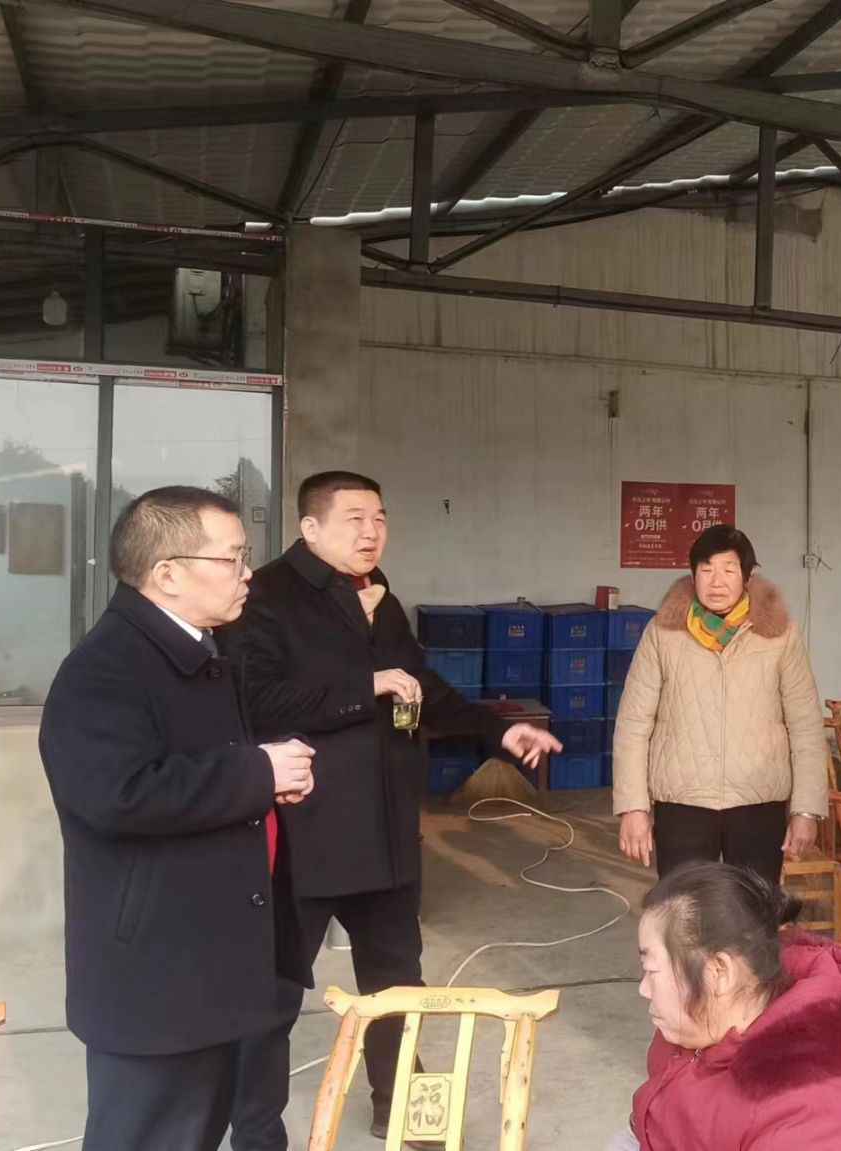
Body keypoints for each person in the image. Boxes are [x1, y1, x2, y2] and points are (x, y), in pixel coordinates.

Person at [224, 471, 561, 1145]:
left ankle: (400, 1106)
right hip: (306, 833)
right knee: (271, 994)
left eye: (379, 517)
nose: (371, 531)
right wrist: (365, 684)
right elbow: (256, 701)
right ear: (310, 527)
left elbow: (420, 687)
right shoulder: (266, 597)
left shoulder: (378, 594)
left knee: (398, 983)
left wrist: (497, 731)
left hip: (384, 831)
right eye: (353, 518)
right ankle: (256, 1131)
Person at [39, 486, 316, 1151]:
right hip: (157, 979)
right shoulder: (104, 670)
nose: (248, 573)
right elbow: (118, 793)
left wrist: (265, 786)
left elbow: (196, 771)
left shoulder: (200, 651)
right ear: (167, 573)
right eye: (232, 558)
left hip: (211, 963)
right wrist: (258, 774)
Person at [624, 861, 841, 1150]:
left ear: (718, 972)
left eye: (652, 970)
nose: (644, 989)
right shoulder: (696, 1028)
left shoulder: (816, 1117)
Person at [613, 525, 830, 882]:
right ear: (693, 575)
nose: (716, 582)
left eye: (728, 570)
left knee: (753, 908)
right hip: (683, 803)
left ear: (747, 577)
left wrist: (806, 809)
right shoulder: (663, 633)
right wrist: (633, 807)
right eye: (707, 569)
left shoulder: (780, 635)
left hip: (758, 802)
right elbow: (633, 723)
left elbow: (805, 724)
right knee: (684, 909)